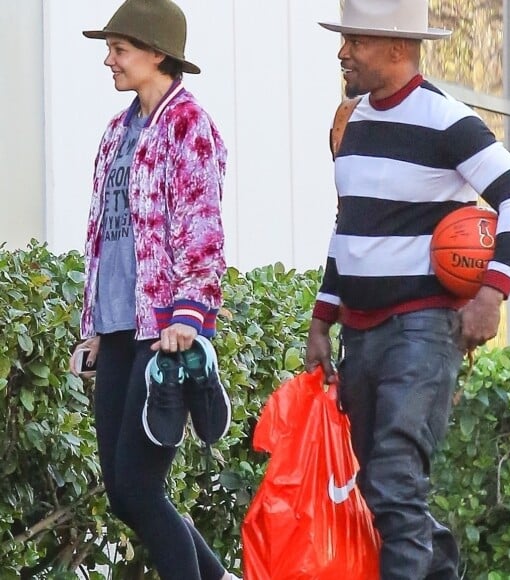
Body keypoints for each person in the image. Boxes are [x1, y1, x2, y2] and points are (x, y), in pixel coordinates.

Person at [306, 1, 510, 579]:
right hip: (359, 334)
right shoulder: (350, 123)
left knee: (393, 482)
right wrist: (322, 316)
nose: (343, 52)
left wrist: (492, 294)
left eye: (355, 41)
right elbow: (351, 225)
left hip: (421, 331)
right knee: (373, 487)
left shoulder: (449, 121)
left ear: (396, 48)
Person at [68, 1, 239, 578]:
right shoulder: (117, 132)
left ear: (157, 54)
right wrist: (94, 326)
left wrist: (190, 313)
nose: (108, 61)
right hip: (118, 329)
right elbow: (106, 237)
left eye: (120, 49)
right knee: (123, 493)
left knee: (140, 490)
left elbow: (201, 225)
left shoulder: (188, 124)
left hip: (165, 330)